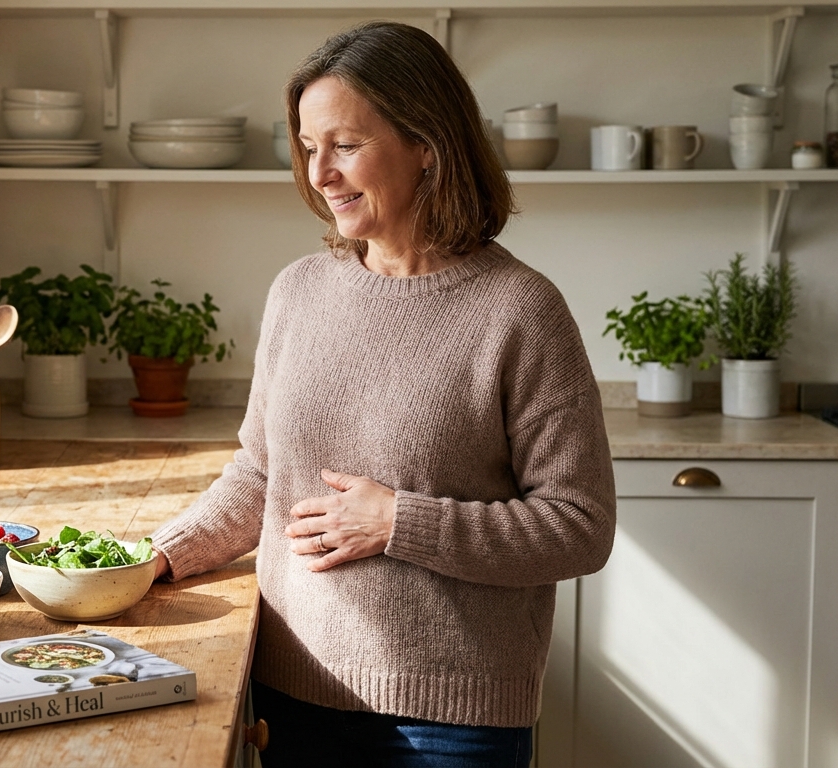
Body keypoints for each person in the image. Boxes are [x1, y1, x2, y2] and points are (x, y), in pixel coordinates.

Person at [148, 20, 617, 768]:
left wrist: (401, 521)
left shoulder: (520, 310)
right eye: (307, 149)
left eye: (345, 145)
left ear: (426, 145)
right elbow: (262, 476)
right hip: (289, 690)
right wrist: (156, 558)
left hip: (451, 723)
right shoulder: (299, 292)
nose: (320, 174)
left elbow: (580, 526)